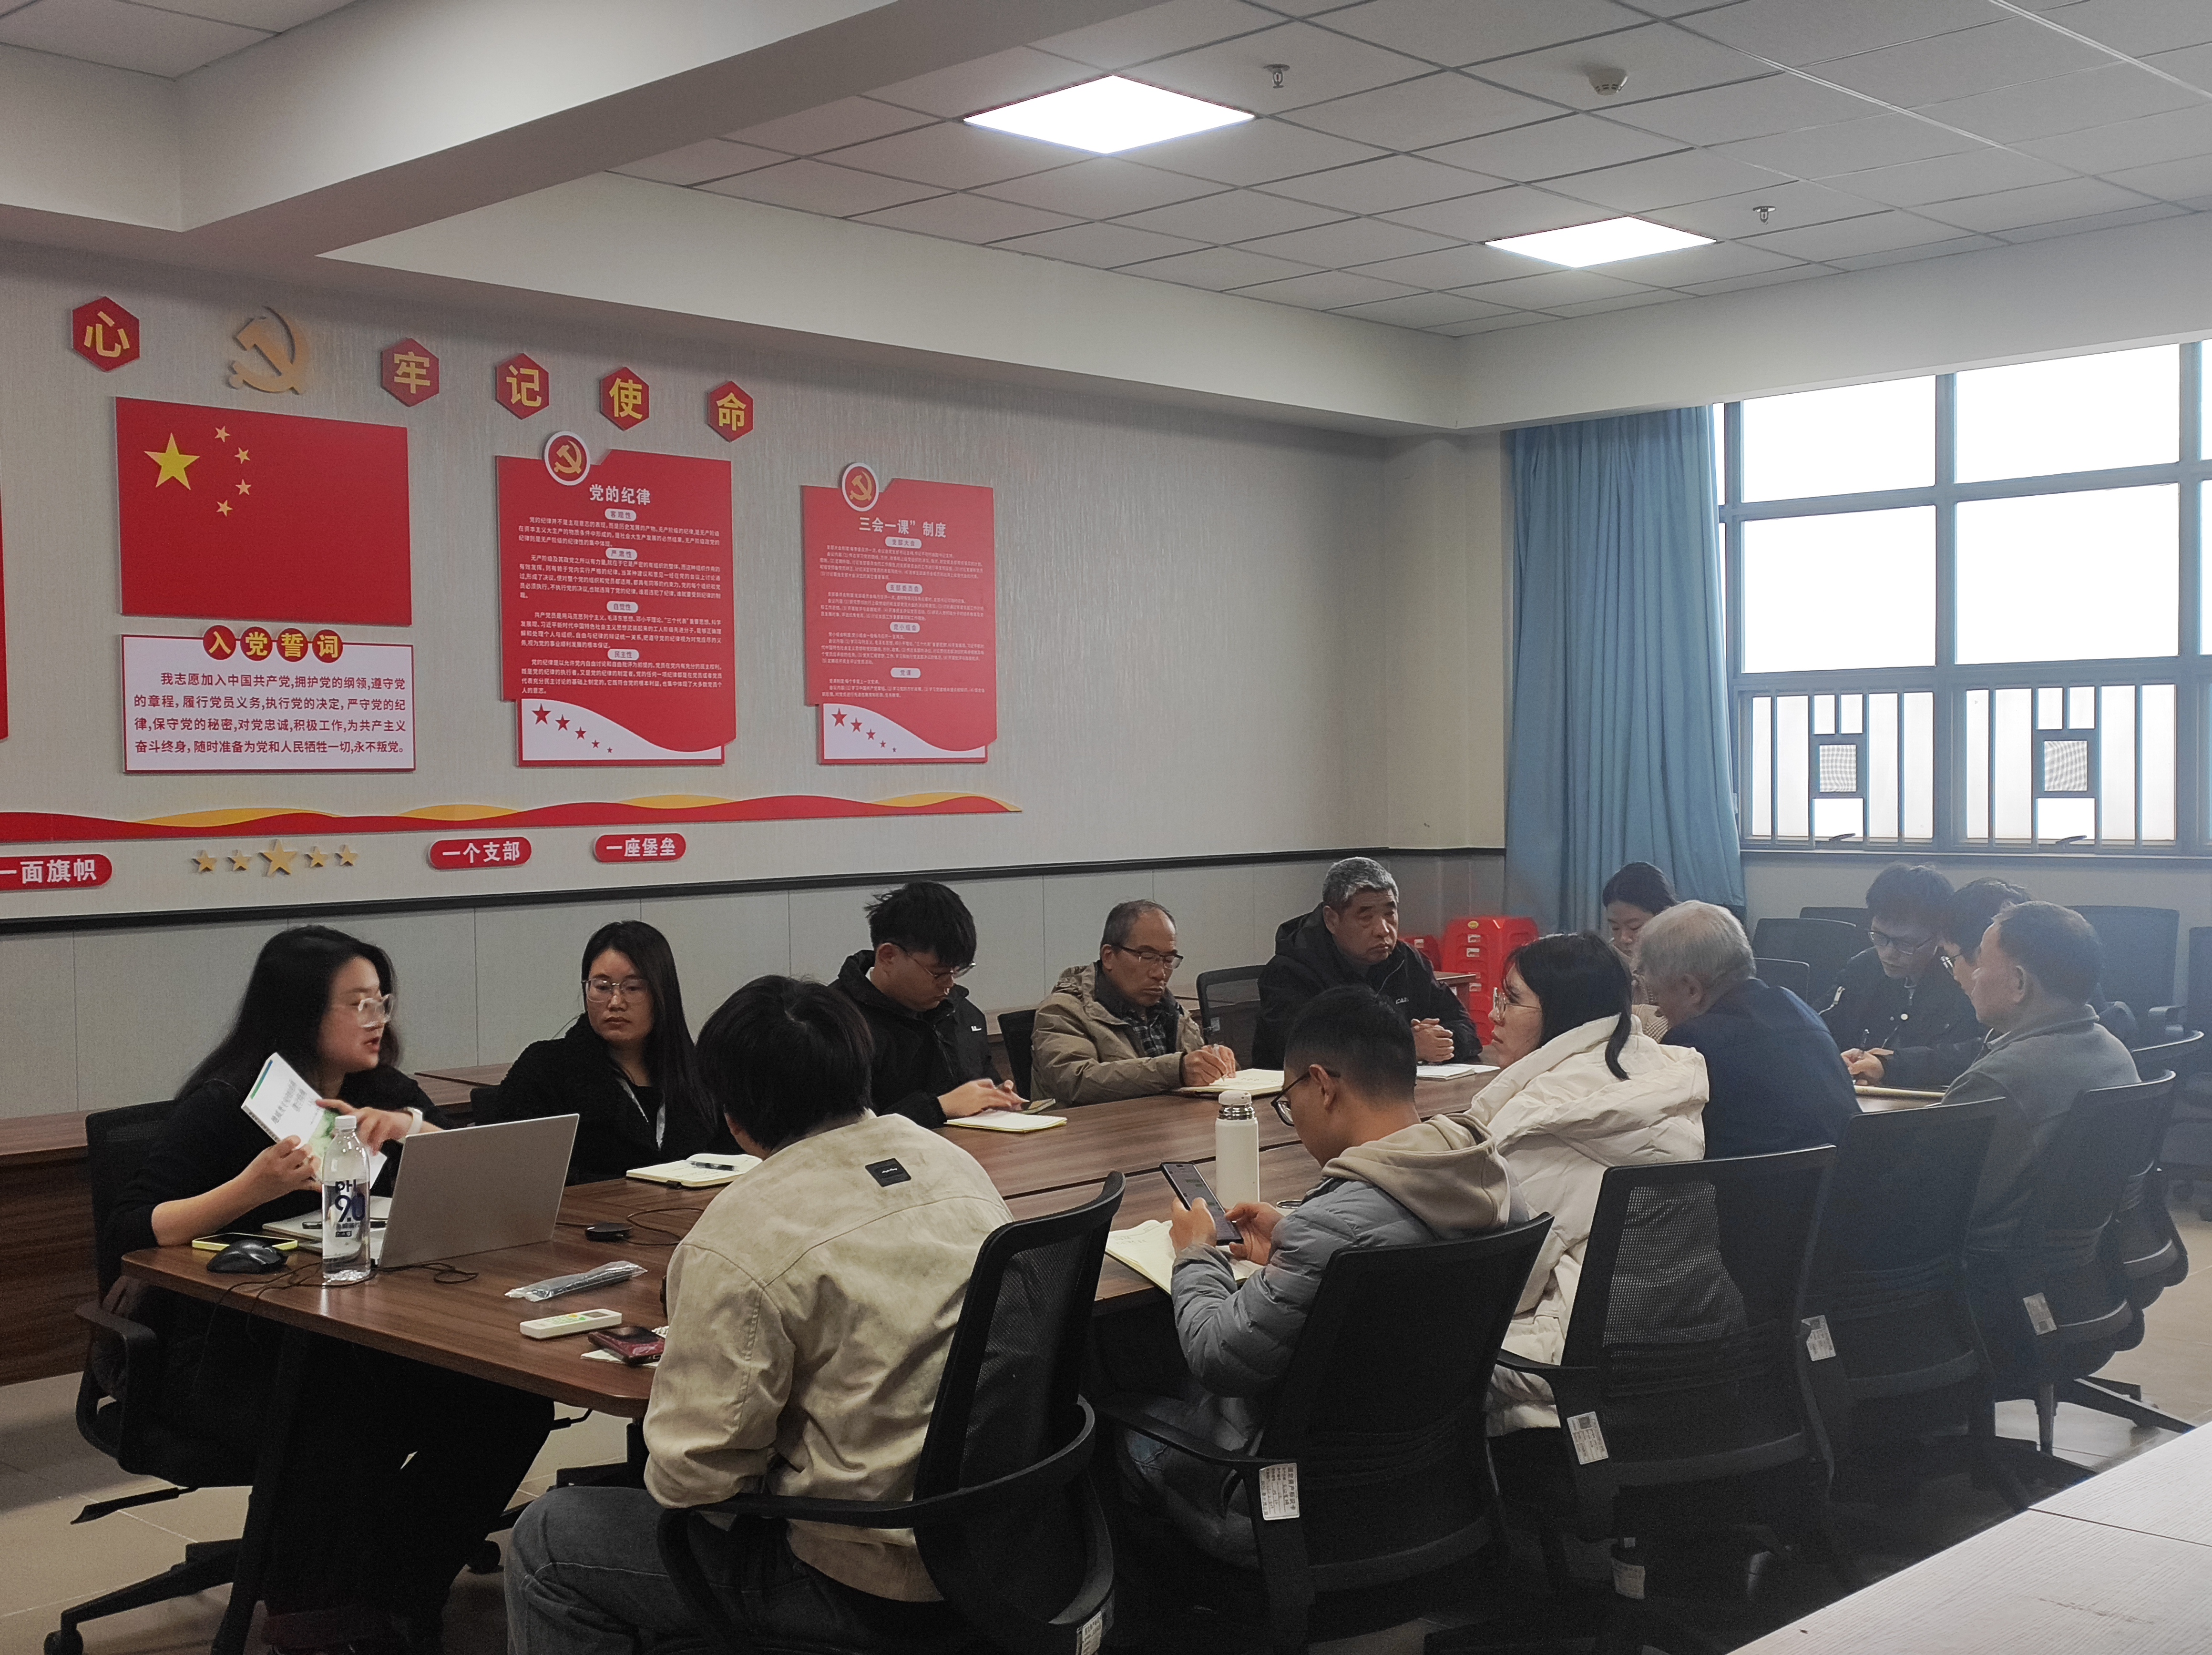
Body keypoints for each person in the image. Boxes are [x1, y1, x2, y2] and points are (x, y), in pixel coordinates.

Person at [506, 975, 1012, 1653]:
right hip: (1001, 1544)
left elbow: (694, 1480)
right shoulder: (953, 1165)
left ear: (734, 1117)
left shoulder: (740, 1235)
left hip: (860, 1579)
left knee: (549, 1535)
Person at [108, 926, 551, 1655]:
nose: (378, 1020)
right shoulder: (228, 1102)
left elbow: (474, 1178)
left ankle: (400, 1589)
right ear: (301, 1012)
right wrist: (251, 1187)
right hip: (227, 1355)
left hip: (361, 1333)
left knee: (508, 1403)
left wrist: (412, 1128)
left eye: (383, 1002)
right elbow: (130, 1226)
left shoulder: (383, 1093)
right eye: (358, 1005)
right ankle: (315, 1618)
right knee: (342, 1400)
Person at [1118, 985, 1515, 1563]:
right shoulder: (1487, 1177)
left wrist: (1197, 1254)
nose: (1292, 1118)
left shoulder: (1330, 1230)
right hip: (1436, 1484)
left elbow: (1216, 1356)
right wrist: (1292, 1237)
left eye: (1288, 1100)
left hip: (1289, 1499)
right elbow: (1375, 1241)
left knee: (1110, 1402)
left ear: (1322, 1085)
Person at [1466, 933, 1707, 1433]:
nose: (1493, 1014)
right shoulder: (1659, 1075)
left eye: (1510, 999)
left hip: (1575, 1357)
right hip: (1691, 1338)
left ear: (1563, 1012)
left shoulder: (1543, 1119)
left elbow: (1504, 1287)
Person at [1944, 903, 2142, 1371]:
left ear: (2018, 982)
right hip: (2079, 1281)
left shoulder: (2001, 1081)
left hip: (1988, 1294)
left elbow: (1932, 1212)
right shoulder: (2113, 1052)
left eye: (1980, 962)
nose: (1971, 977)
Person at [496, 919, 732, 1182]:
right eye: (602, 987)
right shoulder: (545, 1069)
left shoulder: (701, 1072)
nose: (616, 1002)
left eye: (633, 988)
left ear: (662, 993)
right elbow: (510, 1173)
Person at [1637, 902, 1859, 1159]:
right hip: (1847, 1178)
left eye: (1658, 994)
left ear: (1691, 989)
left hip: (1760, 1184)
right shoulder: (1800, 1011)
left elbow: (1658, 1146)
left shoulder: (1692, 1043)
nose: (1660, 1009)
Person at [1253, 857, 1479, 1067]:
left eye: (1390, 915)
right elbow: (1304, 1053)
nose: (1383, 930)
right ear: (1331, 920)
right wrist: (1405, 1047)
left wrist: (1443, 1042)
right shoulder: (1291, 971)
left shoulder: (1407, 960)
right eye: (1366, 917)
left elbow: (1464, 1026)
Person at [831, 881, 1022, 1125]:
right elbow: (841, 1133)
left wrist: (997, 1096)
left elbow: (981, 1081)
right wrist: (938, 1108)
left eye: (957, 971)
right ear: (888, 956)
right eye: (938, 973)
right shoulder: (834, 1025)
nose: (949, 984)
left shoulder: (963, 1014)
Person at [1031, 899, 1237, 1105]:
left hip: (1167, 1120)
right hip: (1096, 1125)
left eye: (1168, 960)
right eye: (1147, 957)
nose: (1160, 973)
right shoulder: (1062, 1010)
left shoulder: (1170, 1010)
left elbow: (1194, 1070)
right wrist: (1176, 1070)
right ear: (1109, 957)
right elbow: (1077, 1082)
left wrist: (1216, 1062)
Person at [1824, 863, 1978, 1083]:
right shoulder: (1864, 967)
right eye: (1879, 936)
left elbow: (1980, 1051)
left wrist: (1892, 1065)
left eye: (1905, 944)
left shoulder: (1962, 978)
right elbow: (1822, 1025)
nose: (1888, 953)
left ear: (1940, 937)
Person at [1601, 860, 1678, 967]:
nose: (1623, 939)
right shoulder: (1607, 962)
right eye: (1615, 928)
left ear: (1664, 916)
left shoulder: (1687, 958)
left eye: (1634, 927)